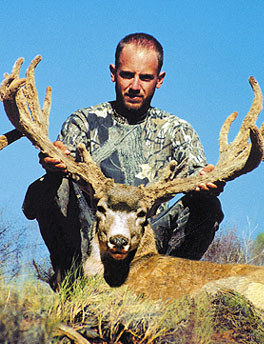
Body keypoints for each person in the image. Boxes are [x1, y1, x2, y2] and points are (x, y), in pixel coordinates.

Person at [23, 33, 224, 291]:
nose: (135, 86)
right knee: (54, 185)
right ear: (113, 73)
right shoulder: (84, 122)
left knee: (206, 205)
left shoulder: (178, 131)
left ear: (159, 80)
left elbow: (198, 173)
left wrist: (209, 181)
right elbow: (35, 202)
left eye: (146, 77)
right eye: (127, 75)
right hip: (92, 236)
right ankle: (72, 284)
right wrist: (54, 165)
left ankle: (167, 289)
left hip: (150, 241)